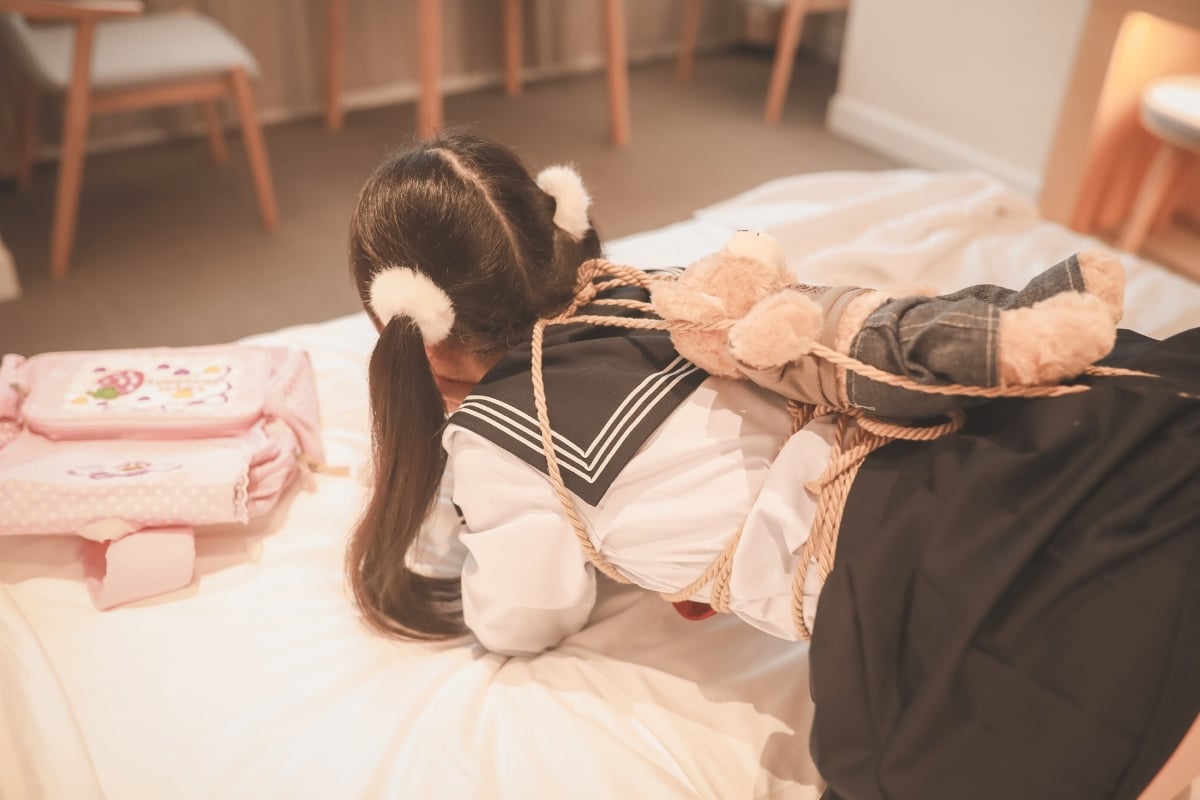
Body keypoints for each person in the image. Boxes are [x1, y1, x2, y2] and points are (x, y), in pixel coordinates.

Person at [345, 131, 1200, 800]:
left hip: (910, 560)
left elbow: (525, 616)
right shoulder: (654, 289)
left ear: (416, 329)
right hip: (980, 440)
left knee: (1067, 695)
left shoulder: (496, 439)